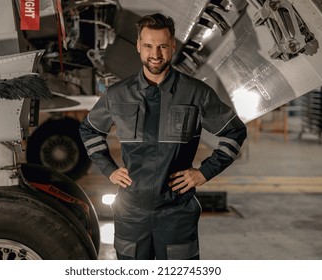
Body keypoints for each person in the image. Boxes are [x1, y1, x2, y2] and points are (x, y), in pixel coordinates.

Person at [79, 13, 247, 260]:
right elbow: (90, 130)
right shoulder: (117, 94)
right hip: (131, 213)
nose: (155, 54)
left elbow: (234, 132)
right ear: (138, 46)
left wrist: (203, 172)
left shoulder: (196, 93)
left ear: (172, 47)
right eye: (148, 46)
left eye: (162, 46)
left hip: (177, 213)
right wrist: (109, 169)